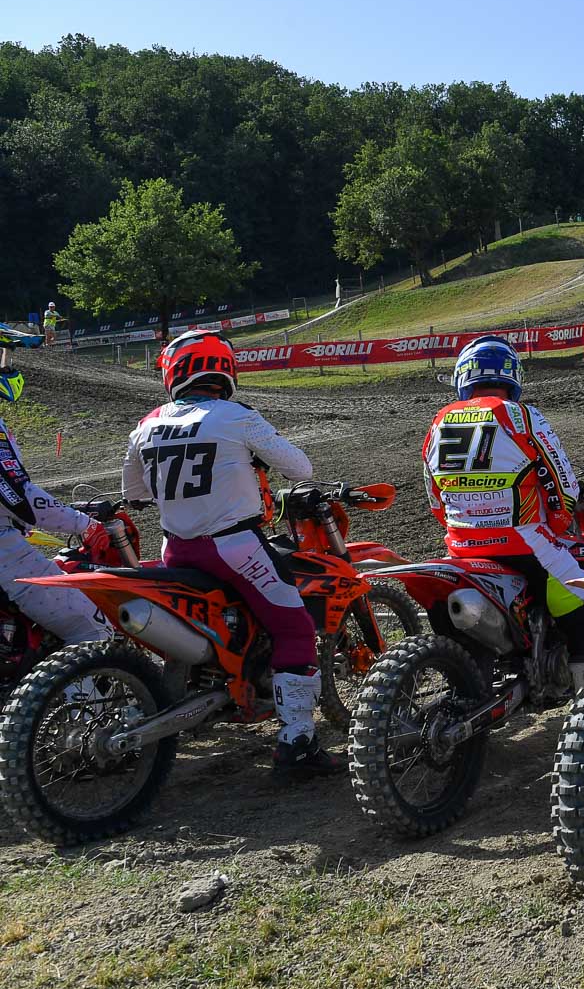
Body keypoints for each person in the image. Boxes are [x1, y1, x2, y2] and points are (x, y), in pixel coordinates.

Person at [123, 331, 337, 774]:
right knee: (295, 627)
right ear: (224, 369)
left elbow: (135, 494)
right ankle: (298, 742)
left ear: (174, 372)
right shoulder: (236, 415)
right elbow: (301, 467)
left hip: (175, 549)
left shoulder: (148, 422)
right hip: (233, 546)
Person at [423, 335, 584, 682]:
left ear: (463, 377)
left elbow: (434, 496)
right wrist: (559, 523)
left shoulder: (438, 421)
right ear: (512, 376)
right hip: (523, 543)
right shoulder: (522, 416)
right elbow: (563, 484)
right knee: (579, 590)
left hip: (461, 547)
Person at [0, 365, 113, 650]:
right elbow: (21, 497)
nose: (7, 366)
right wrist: (84, 524)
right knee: (94, 632)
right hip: (6, 554)